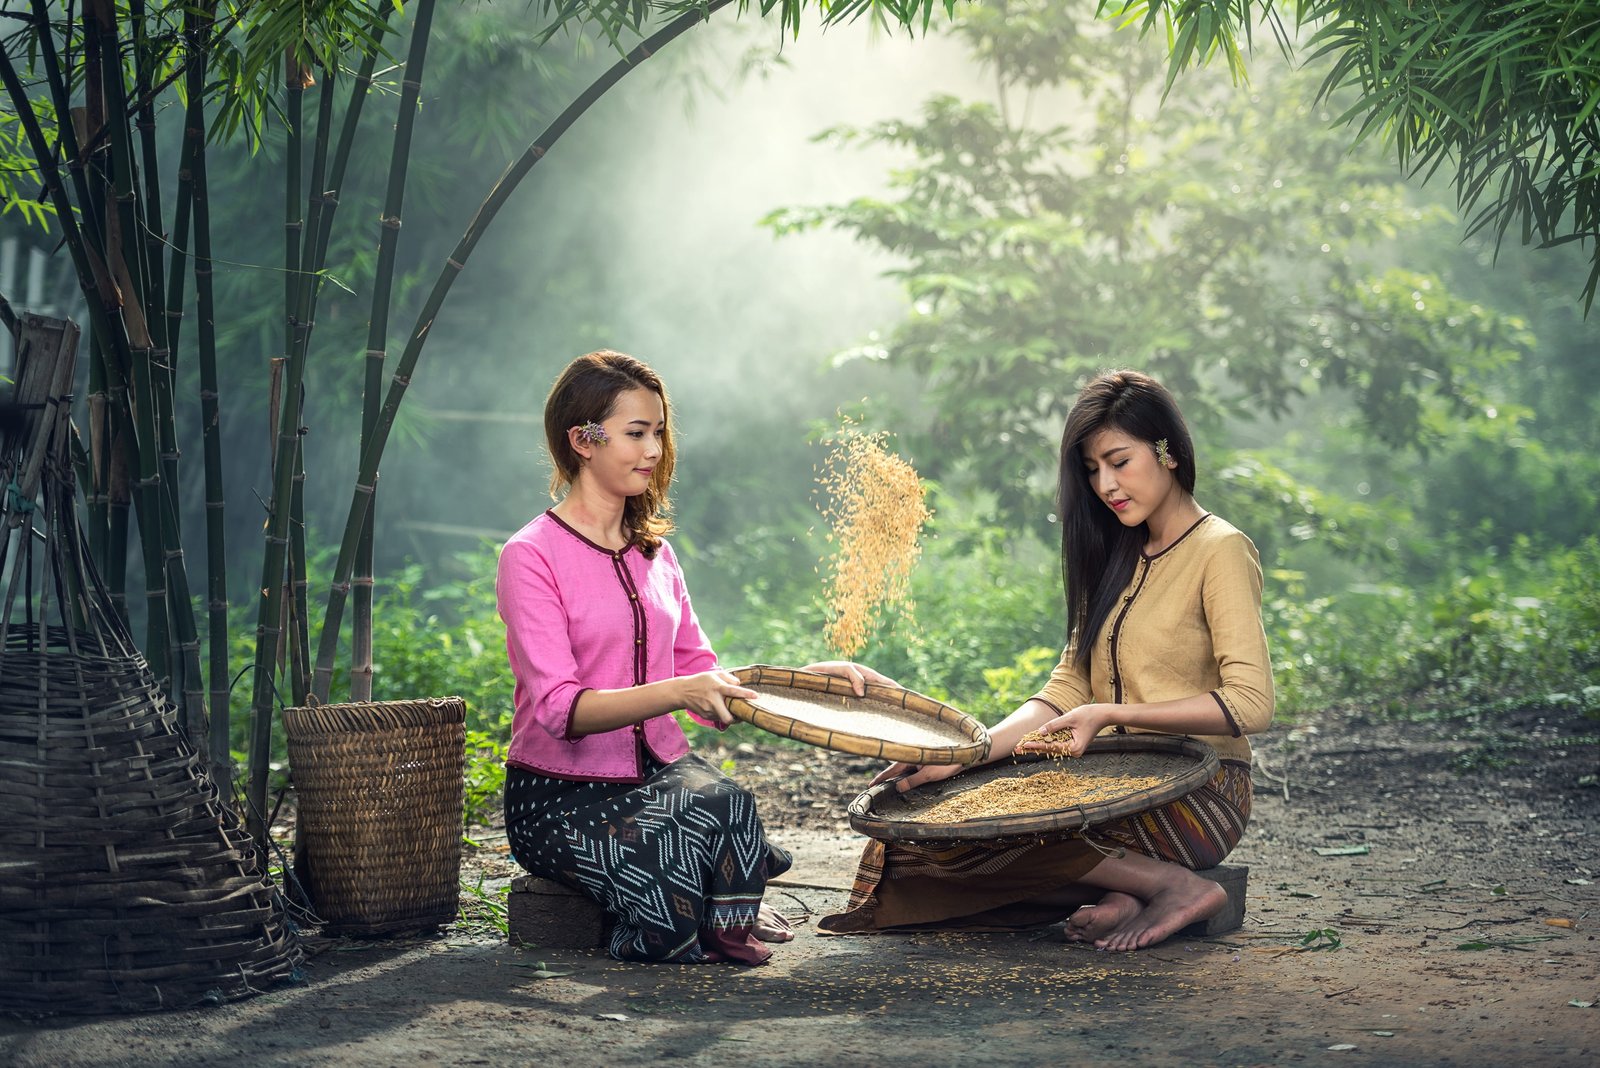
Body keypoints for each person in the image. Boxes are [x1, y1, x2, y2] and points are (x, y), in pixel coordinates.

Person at [820, 369, 1274, 951]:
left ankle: (1175, 886)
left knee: (990, 842)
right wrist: (966, 755)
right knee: (916, 832)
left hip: (1197, 792)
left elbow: (1252, 702)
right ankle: (1122, 894)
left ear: (1168, 453)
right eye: (1092, 470)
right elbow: (1065, 690)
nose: (1106, 483)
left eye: (1119, 461)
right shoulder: (1116, 553)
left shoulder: (1221, 550)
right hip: (1100, 783)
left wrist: (1105, 715)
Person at [498, 349, 888, 965]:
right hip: (560, 795)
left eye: (658, 432)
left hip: (660, 775)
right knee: (678, 882)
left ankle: (719, 900)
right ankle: (704, 900)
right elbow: (559, 711)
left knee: (728, 803)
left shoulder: (655, 553)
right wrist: (679, 693)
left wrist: (799, 684)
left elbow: (699, 671)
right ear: (583, 440)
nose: (654, 450)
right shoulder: (530, 555)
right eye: (636, 433)